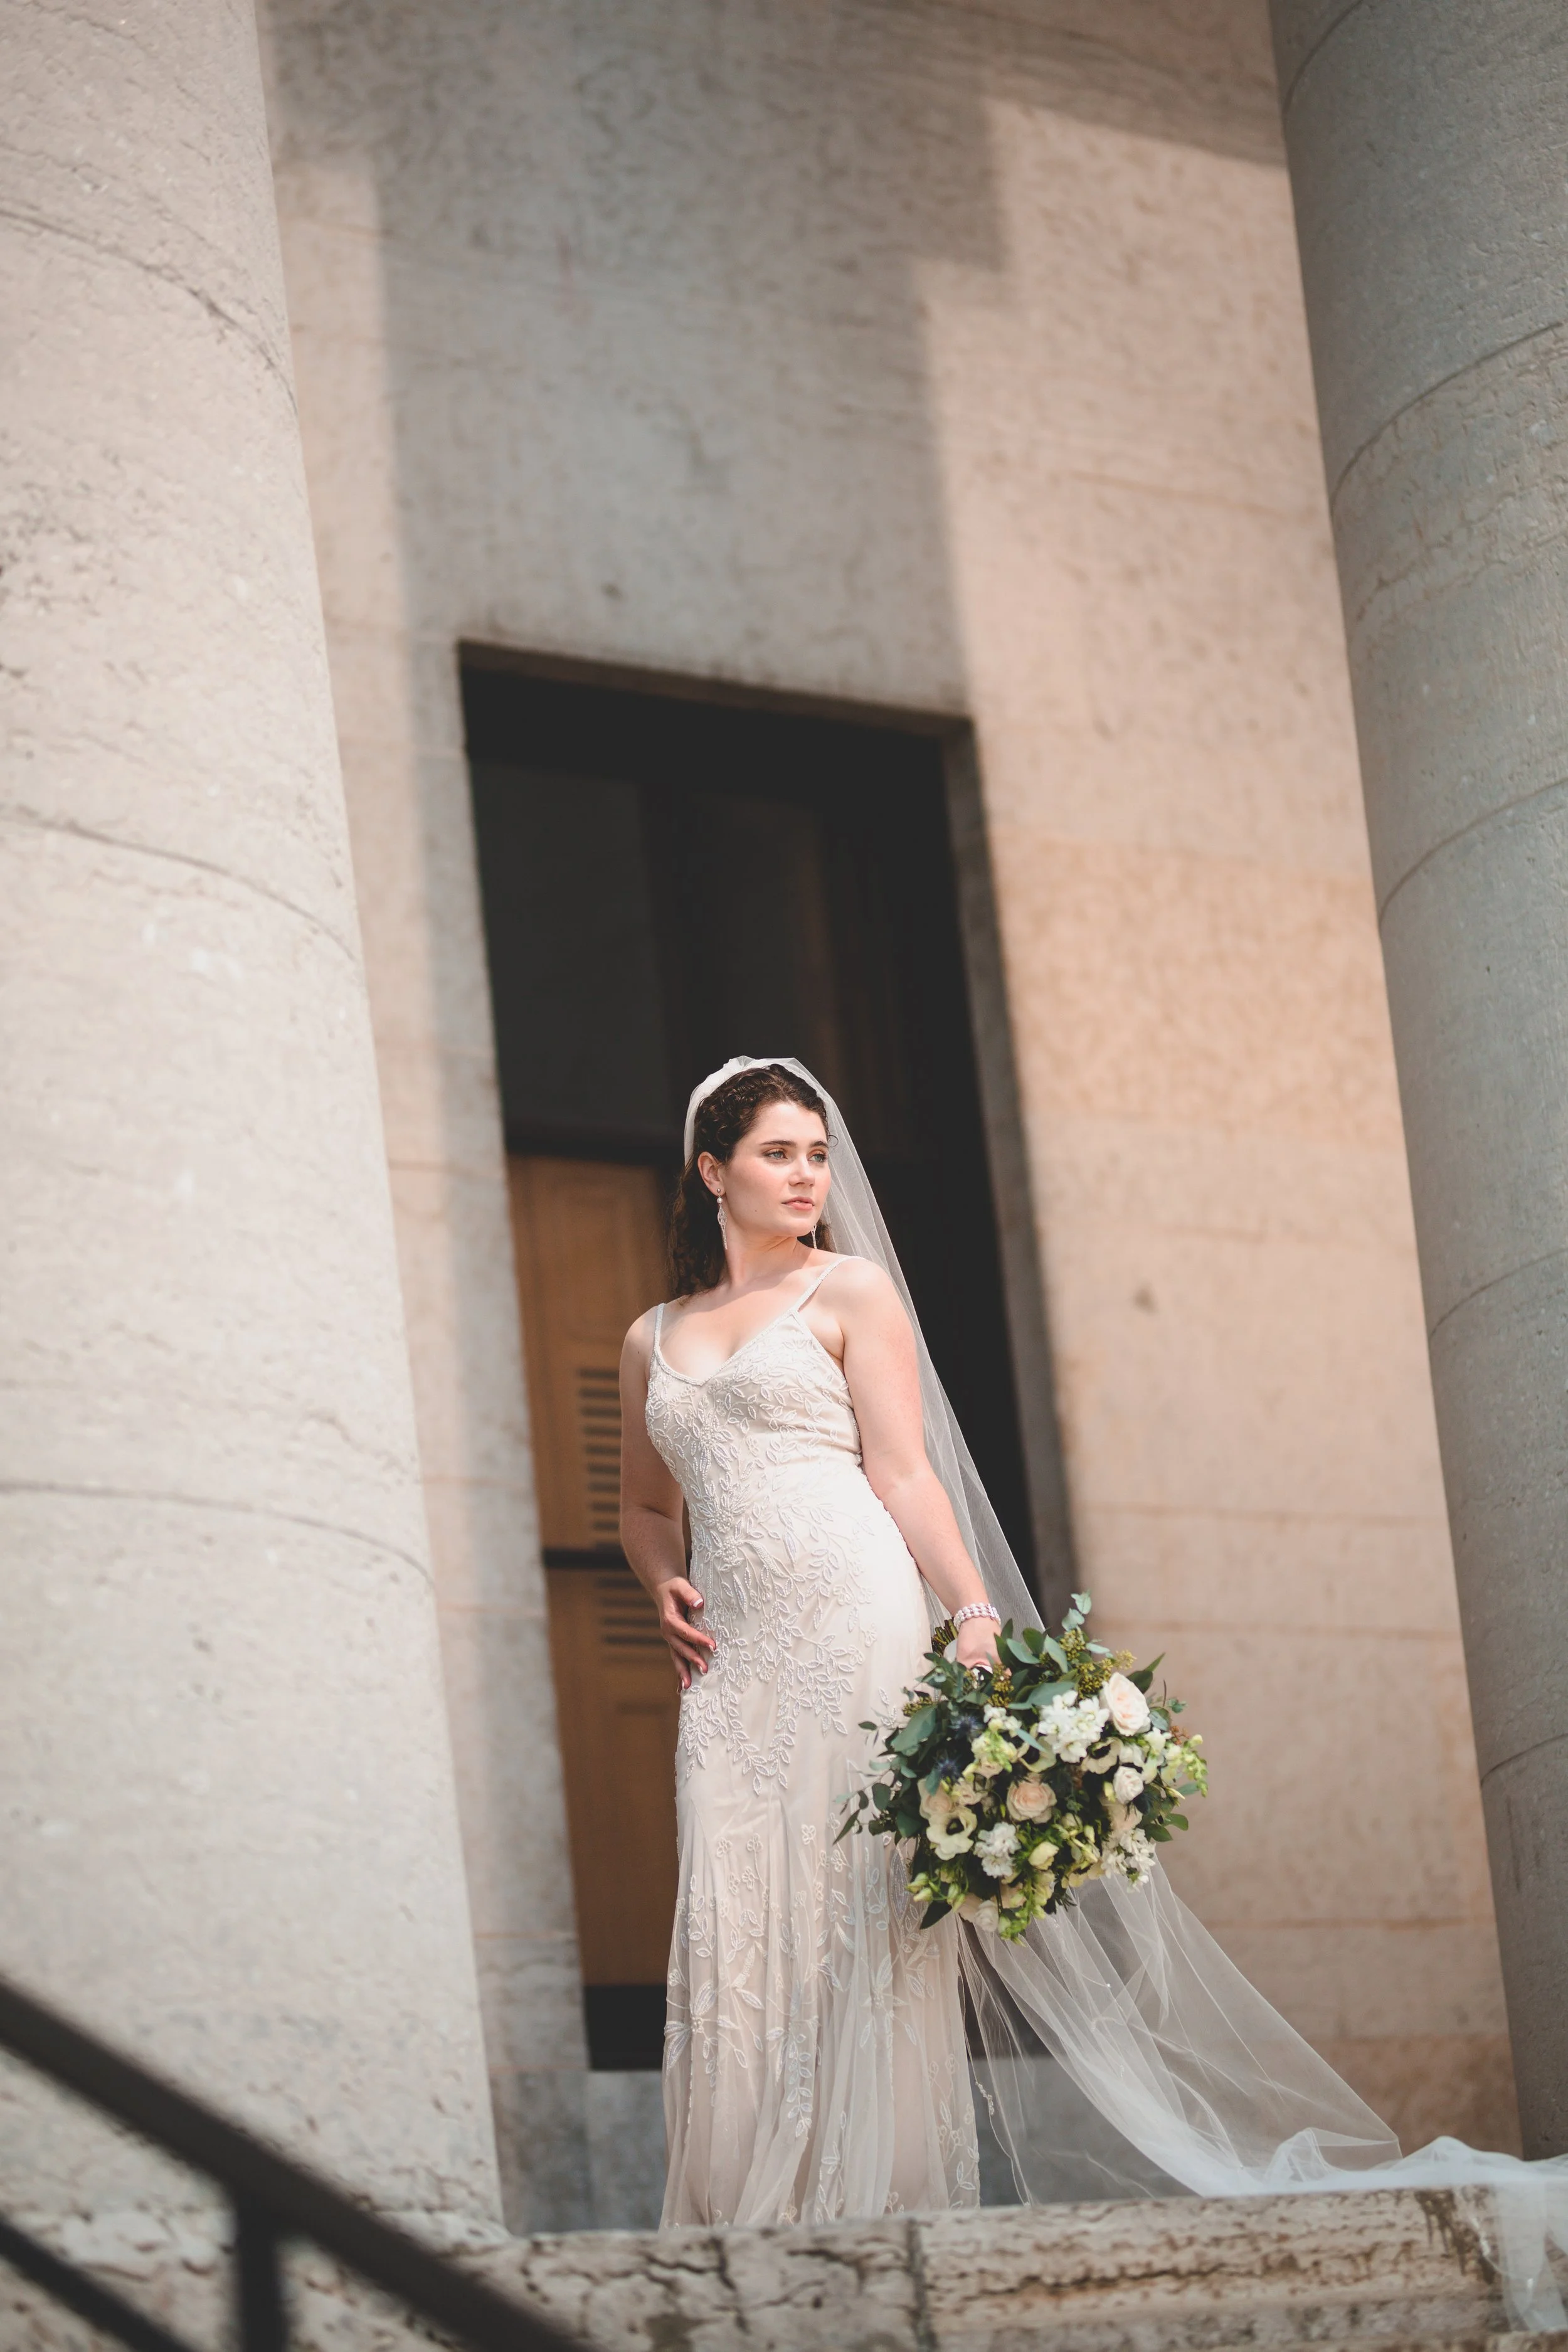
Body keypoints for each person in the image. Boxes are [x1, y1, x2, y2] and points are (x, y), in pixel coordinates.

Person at [621, 1059, 1568, 2318]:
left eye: (814, 1154)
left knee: (854, 1912)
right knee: (736, 1915)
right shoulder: (652, 1335)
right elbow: (642, 1504)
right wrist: (652, 1579)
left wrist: (966, 1610)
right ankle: (731, 2232)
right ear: (711, 1169)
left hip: (853, 1620)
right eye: (779, 1155)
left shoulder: (846, 1291)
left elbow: (904, 1477)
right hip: (731, 1665)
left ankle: (850, 2225)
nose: (807, 1177)